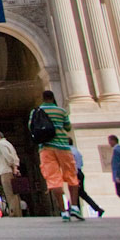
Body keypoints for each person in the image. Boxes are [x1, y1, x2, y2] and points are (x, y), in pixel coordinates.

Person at [31, 90, 81, 220]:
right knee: (71, 176)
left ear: (42, 98)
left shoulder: (35, 111)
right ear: (53, 98)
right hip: (63, 147)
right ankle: (75, 207)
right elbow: (68, 127)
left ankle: (63, 211)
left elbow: (31, 128)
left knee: (54, 180)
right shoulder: (61, 111)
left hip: (46, 148)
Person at [0, 131, 21, 217]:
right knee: (15, 193)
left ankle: (13, 212)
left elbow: (8, 157)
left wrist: (13, 167)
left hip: (6, 171)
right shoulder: (8, 143)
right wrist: (16, 167)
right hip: (10, 170)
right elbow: (14, 157)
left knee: (9, 193)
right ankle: (17, 212)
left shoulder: (1, 144)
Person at [71, 146, 105, 217]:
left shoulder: (70, 152)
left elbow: (72, 164)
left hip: (75, 173)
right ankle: (96, 209)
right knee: (80, 193)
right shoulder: (77, 152)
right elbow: (81, 164)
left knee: (76, 192)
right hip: (79, 172)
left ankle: (76, 210)